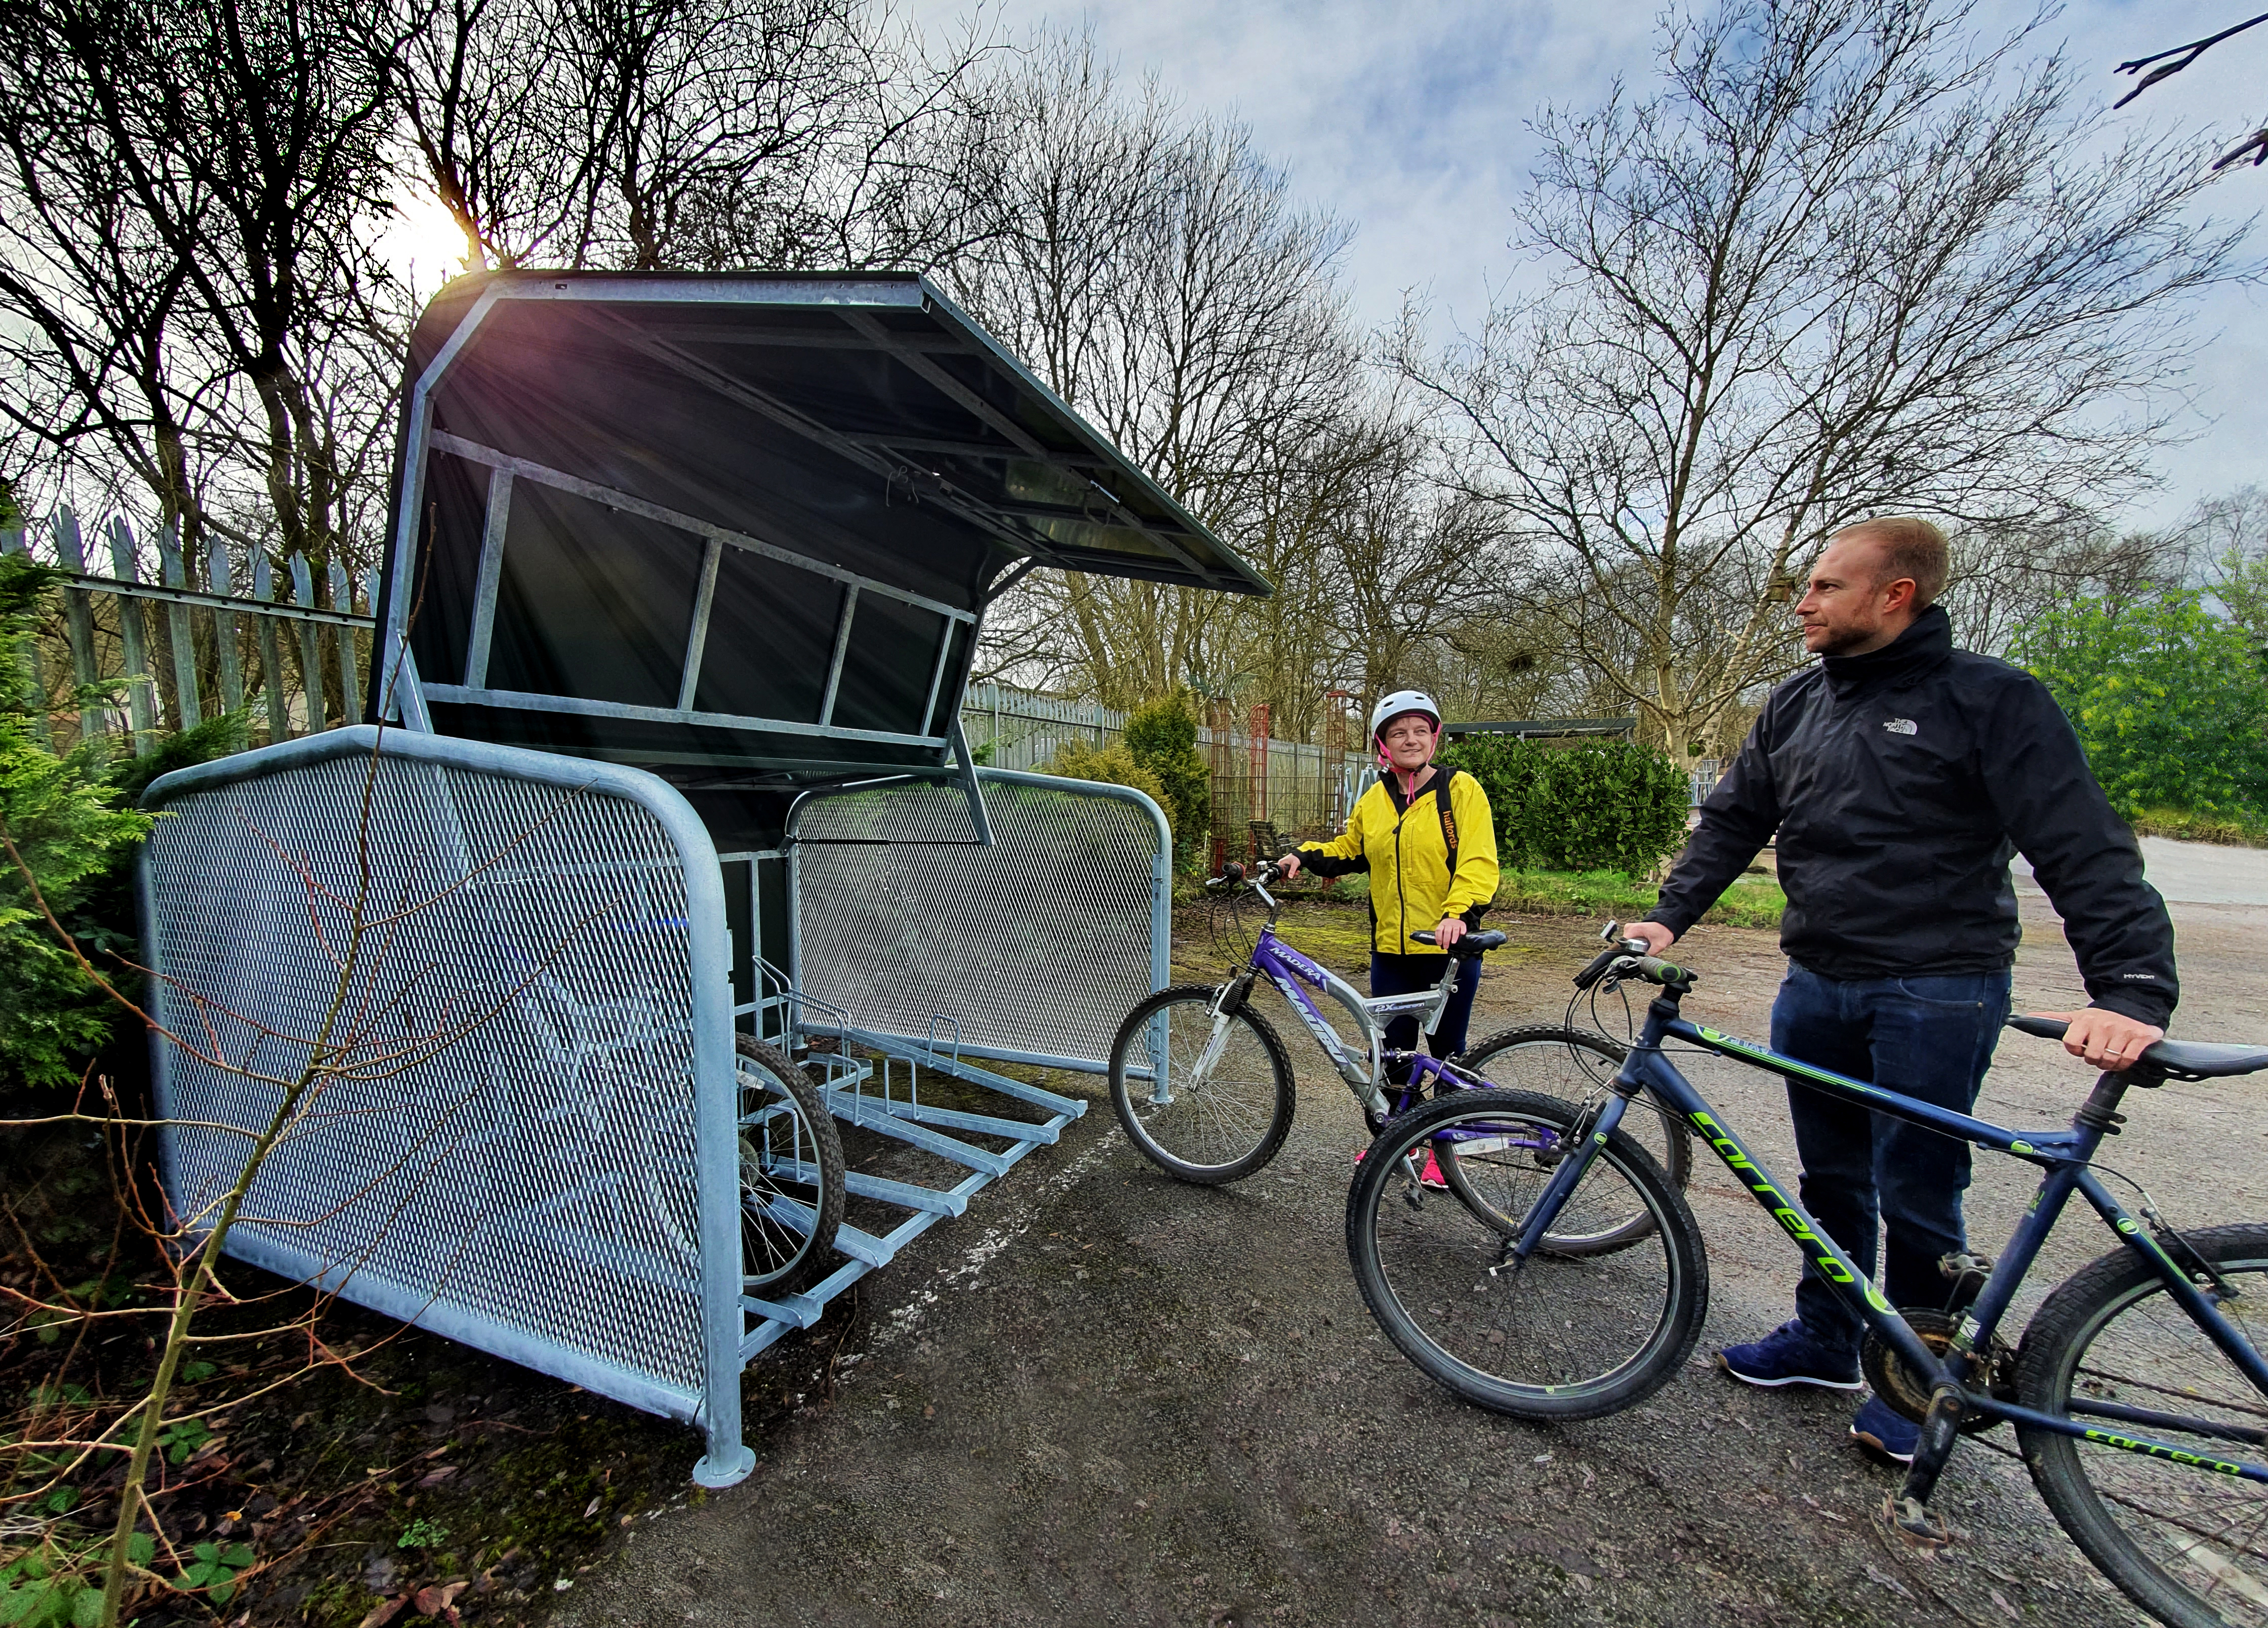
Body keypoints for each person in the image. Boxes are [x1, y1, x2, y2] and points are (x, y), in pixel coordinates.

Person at [1623, 516, 2176, 1464]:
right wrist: (1666, 916)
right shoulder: (1798, 703)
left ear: (1896, 595)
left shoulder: (1991, 700)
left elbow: (2081, 843)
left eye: (1827, 586)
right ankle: (1830, 1340)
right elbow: (1733, 819)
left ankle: (1920, 1381)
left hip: (1939, 987)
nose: (1804, 602)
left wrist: (2127, 989)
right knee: (1828, 1179)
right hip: (1818, 979)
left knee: (1920, 1191)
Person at [1276, 690, 1502, 1177]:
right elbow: (1351, 848)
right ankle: (1400, 1143)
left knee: (1446, 1052)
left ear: (1435, 738)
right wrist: (1303, 855)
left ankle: (1445, 1151)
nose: (1411, 740)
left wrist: (1458, 912)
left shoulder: (1459, 791)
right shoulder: (1376, 799)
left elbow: (1478, 861)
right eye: (1399, 733)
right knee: (1395, 1052)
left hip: (1447, 946)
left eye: (1421, 730)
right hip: (1391, 950)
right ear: (1383, 744)